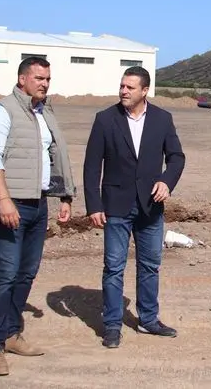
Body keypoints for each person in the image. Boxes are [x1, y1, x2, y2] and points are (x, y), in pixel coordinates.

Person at [0, 56, 76, 376]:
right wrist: (4, 199)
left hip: (38, 203)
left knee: (27, 272)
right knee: (6, 272)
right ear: (22, 79)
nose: (45, 84)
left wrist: (65, 196)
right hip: (11, 203)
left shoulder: (44, 112)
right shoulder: (2, 110)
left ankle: (11, 333)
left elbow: (54, 156)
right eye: (38, 78)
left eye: (48, 79)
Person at [83, 66, 186, 349]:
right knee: (114, 267)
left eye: (130, 87)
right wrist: (94, 204)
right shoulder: (105, 119)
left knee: (150, 266)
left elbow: (176, 157)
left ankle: (148, 319)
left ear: (145, 91)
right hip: (116, 205)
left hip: (150, 206)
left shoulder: (162, 119)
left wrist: (166, 181)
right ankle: (112, 325)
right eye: (122, 86)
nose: (123, 91)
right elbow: (92, 166)